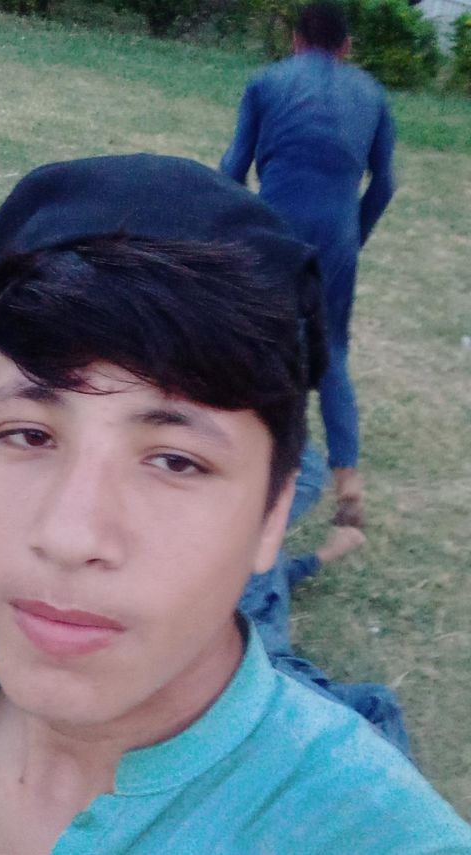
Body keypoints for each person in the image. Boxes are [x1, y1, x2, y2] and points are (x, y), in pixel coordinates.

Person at [0, 155, 469, 854]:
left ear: (273, 514)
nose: (72, 534)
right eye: (28, 434)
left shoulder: (375, 837)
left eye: (176, 460)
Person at [220, 1, 396, 530]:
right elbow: (385, 183)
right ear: (346, 47)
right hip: (338, 232)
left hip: (274, 226)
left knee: (260, 339)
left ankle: (253, 460)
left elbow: (233, 168)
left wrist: (237, 226)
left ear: (296, 41)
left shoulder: (267, 82)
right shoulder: (372, 93)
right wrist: (354, 235)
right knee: (333, 350)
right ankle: (349, 482)